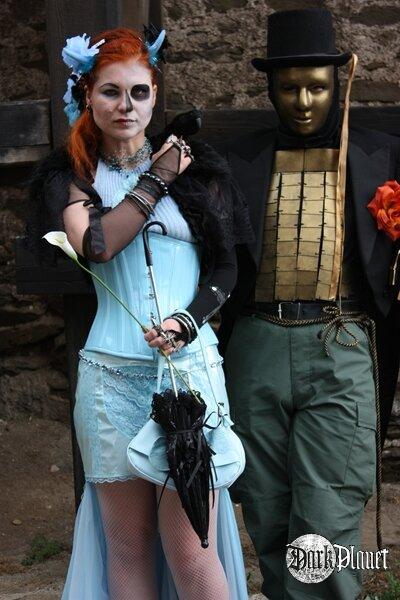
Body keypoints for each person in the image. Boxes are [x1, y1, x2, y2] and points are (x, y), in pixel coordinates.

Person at [27, 27, 253, 600]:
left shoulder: (200, 173)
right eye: (110, 92)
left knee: (191, 548)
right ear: (87, 95)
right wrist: (158, 177)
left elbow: (226, 269)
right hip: (109, 379)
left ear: (155, 95)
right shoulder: (73, 176)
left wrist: (187, 321)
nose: (125, 106)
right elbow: (96, 245)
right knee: (128, 546)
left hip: (188, 374)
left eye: (139, 92)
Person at [218, 9, 400, 600]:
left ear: (337, 84)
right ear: (271, 89)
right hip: (255, 345)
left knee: (327, 512)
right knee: (266, 508)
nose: (303, 102)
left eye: (316, 87)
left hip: (339, 342)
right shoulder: (233, 162)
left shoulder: (382, 157)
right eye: (289, 87)